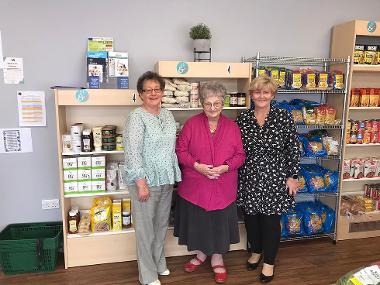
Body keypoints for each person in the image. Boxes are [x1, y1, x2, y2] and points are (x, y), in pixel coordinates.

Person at [174, 81, 246, 284]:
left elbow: (240, 155)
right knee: (199, 224)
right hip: (196, 185)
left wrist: (225, 167)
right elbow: (181, 151)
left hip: (224, 186)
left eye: (217, 103)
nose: (212, 108)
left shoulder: (232, 127)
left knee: (218, 224)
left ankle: (217, 257)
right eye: (208, 104)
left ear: (223, 103)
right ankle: (201, 254)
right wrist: (197, 166)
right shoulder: (191, 124)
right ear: (202, 104)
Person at [236, 75, 300, 283]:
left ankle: (269, 263)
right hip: (249, 177)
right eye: (257, 92)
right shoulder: (243, 119)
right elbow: (236, 150)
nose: (261, 96)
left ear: (272, 94)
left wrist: (293, 176)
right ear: (251, 95)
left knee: (271, 222)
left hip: (276, 178)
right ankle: (255, 251)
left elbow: (293, 149)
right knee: (251, 220)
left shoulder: (283, 117)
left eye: (265, 92)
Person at [124, 71, 181, 285]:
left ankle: (159, 263)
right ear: (141, 94)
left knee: (160, 226)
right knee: (145, 231)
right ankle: (147, 275)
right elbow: (132, 153)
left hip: (165, 179)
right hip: (145, 181)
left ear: (163, 92)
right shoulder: (136, 118)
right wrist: (140, 183)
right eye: (148, 90)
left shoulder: (167, 114)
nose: (153, 93)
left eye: (157, 89)